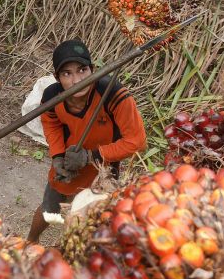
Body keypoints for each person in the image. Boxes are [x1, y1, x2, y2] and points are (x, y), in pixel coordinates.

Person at [27, 39, 146, 242]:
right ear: (57, 78)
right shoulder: (52, 97)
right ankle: (30, 240)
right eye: (67, 74)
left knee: (95, 222)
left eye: (82, 70)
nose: (77, 80)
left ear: (93, 69)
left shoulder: (113, 94)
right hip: (68, 164)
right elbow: (52, 124)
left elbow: (137, 141)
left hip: (104, 170)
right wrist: (57, 156)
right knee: (50, 208)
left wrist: (92, 156)